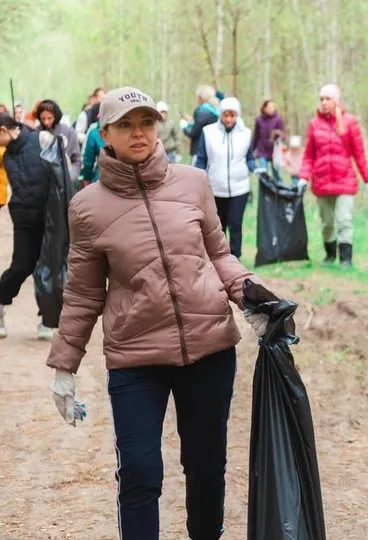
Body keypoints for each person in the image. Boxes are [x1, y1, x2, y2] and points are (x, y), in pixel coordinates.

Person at [44, 87, 270, 540]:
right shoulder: (86, 208)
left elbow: (219, 254)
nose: (138, 133)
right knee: (140, 472)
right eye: (125, 125)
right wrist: (64, 366)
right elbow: (84, 294)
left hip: (209, 350)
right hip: (136, 358)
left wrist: (250, 295)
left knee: (207, 465)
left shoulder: (194, 183)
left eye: (145, 122)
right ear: (104, 133)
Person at [299, 84, 368, 268]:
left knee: (344, 220)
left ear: (336, 101)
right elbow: (309, 156)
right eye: (322, 99)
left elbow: (359, 154)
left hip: (344, 181)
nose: (324, 103)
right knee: (327, 224)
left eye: (328, 99)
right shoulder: (314, 124)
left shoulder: (350, 122)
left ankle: (346, 259)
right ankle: (330, 255)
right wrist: (303, 177)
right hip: (321, 182)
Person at [0, 112, 57, 339]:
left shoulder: (41, 140)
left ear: (3, 131)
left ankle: (48, 320)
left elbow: (61, 174)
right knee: (21, 266)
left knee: (48, 269)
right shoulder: (7, 156)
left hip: (49, 217)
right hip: (24, 220)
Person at [195, 97, 260, 259]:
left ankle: (236, 257)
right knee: (219, 226)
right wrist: (198, 178)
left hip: (240, 188)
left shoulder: (245, 134)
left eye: (232, 115)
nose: (229, 119)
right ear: (220, 115)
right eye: (226, 115)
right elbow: (201, 159)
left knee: (235, 224)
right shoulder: (208, 133)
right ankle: (220, 257)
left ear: (237, 115)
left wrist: (256, 170)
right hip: (215, 189)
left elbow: (249, 158)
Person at [35, 99, 82, 179]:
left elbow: (77, 160)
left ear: (56, 116)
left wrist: (70, 177)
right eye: (43, 119)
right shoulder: (35, 133)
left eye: (49, 118)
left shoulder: (68, 132)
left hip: (65, 179)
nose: (46, 122)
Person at [181, 85, 221, 164]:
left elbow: (194, 132)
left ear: (201, 98)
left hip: (198, 150)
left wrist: (184, 127)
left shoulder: (200, 111)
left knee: (195, 174)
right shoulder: (216, 111)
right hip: (213, 150)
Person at [252, 99, 286, 175]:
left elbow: (283, 136)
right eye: (269, 107)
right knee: (263, 173)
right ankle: (263, 187)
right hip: (262, 150)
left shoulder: (278, 119)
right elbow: (256, 136)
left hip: (274, 151)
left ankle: (278, 186)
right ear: (264, 108)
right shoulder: (259, 120)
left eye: (273, 107)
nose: (271, 109)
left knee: (276, 174)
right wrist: (252, 150)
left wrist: (279, 134)